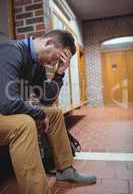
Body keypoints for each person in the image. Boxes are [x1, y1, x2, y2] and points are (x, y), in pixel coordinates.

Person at [0, 29, 96, 194]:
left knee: (54, 113)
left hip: (4, 110)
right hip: (4, 108)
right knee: (24, 124)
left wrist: (59, 73)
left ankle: (65, 170)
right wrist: (38, 113)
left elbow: (46, 99)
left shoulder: (36, 64)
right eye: (57, 58)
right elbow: (7, 103)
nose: (54, 63)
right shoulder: (12, 51)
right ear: (48, 43)